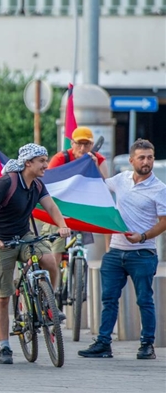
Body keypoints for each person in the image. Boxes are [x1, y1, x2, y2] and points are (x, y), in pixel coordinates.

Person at [0, 143, 70, 365]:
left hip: (25, 236)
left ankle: (50, 303)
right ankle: (5, 346)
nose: (46, 165)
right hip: (2, 242)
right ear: (28, 163)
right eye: (41, 161)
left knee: (49, 260)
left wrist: (62, 225)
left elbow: (51, 207)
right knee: (3, 295)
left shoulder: (37, 185)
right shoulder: (6, 183)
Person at [79, 139, 165, 360]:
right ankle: (103, 343)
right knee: (108, 299)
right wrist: (89, 164)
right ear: (131, 160)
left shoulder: (160, 189)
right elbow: (99, 186)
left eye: (150, 157)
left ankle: (147, 345)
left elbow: (164, 222)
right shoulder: (121, 179)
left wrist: (143, 236)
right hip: (116, 251)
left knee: (144, 300)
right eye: (142, 157)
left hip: (142, 252)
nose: (146, 162)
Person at [43, 126, 107, 280]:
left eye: (87, 144)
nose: (82, 148)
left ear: (92, 145)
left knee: (81, 243)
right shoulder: (61, 158)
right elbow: (47, 182)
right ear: (72, 144)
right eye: (79, 144)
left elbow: (105, 185)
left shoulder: (97, 158)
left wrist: (95, 166)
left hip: (82, 209)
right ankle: (52, 290)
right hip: (60, 209)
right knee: (56, 251)